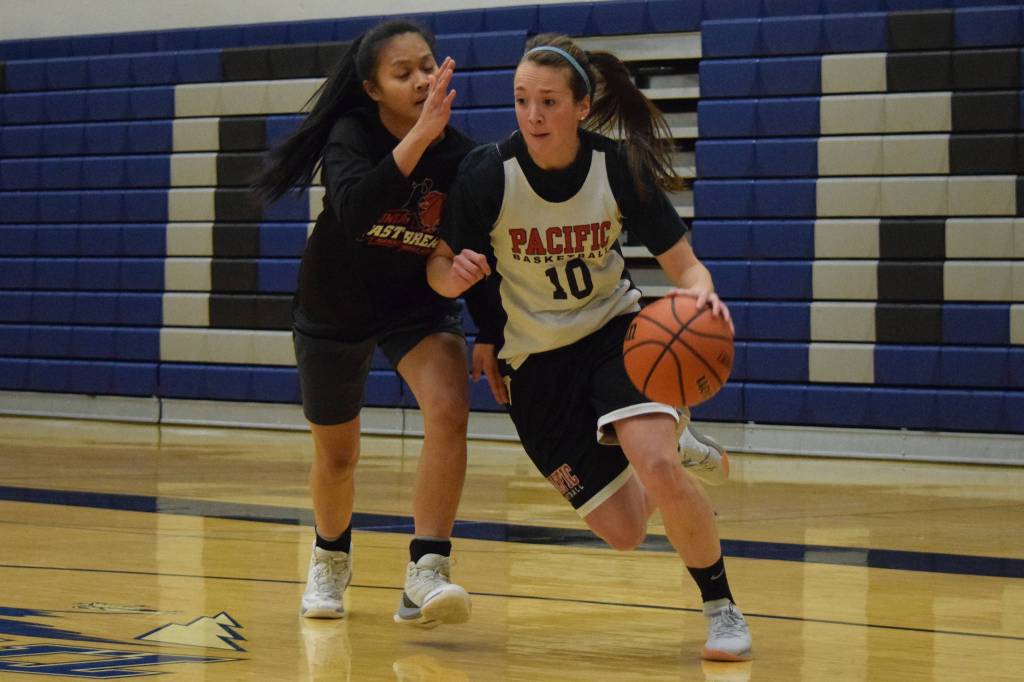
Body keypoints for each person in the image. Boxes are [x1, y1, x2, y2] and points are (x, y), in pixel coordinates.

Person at [427, 34, 753, 661]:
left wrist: (703, 298)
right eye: (522, 100)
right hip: (536, 363)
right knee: (627, 531)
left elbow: (687, 268)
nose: (533, 115)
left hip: (617, 334)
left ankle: (721, 608)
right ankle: (670, 436)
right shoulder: (486, 174)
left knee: (655, 466)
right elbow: (439, 270)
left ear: (581, 107)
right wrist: (456, 280)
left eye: (548, 101)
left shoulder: (618, 166)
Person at [253, 19, 477, 628]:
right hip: (335, 304)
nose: (422, 79)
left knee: (450, 408)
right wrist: (419, 136)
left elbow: (458, 255)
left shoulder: (459, 155)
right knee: (339, 456)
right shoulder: (351, 134)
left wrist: (476, 312)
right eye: (402, 73)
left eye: (428, 66)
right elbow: (354, 212)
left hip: (414, 303)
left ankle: (426, 570)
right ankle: (329, 555)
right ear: (373, 88)